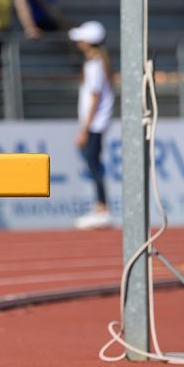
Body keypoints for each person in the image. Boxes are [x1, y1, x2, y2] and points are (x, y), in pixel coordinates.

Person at [69, 21, 115, 229]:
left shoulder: (94, 65)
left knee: (94, 165)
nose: (79, 42)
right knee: (94, 164)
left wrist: (84, 130)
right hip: (97, 123)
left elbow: (95, 98)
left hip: (95, 124)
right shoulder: (99, 63)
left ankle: (102, 208)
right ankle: (100, 207)